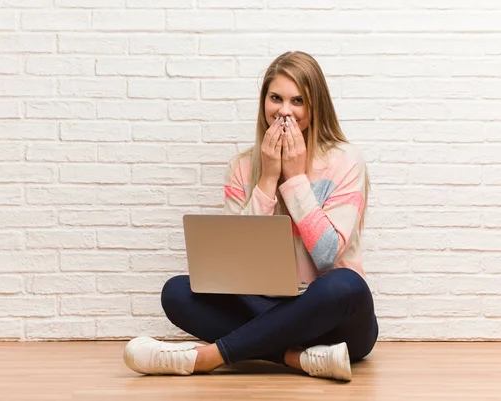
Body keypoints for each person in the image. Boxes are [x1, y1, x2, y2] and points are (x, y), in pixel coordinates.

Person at [123, 51, 378, 381]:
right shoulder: (242, 167)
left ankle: (207, 358)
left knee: (346, 284)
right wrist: (267, 180)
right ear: (264, 102)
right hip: (265, 307)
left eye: (298, 100)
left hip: (334, 319)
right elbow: (233, 264)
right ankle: (297, 359)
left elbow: (328, 256)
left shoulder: (345, 160)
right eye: (276, 98)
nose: (285, 111)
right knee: (176, 292)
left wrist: (296, 178)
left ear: (315, 107)